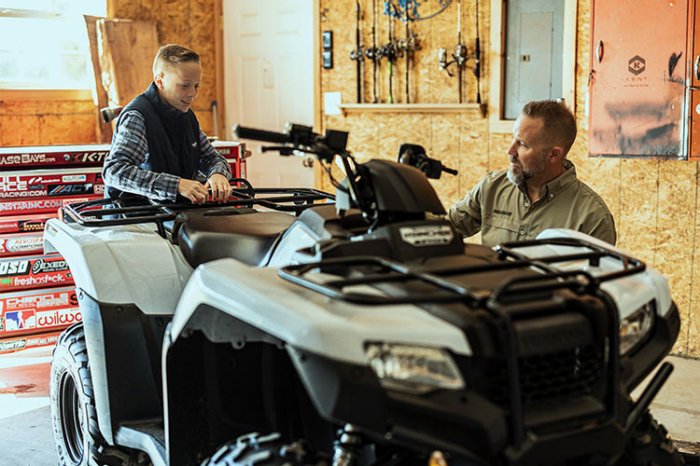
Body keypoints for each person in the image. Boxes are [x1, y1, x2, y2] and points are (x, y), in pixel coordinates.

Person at [448, 99, 616, 247]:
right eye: (513, 138)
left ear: (553, 155)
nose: (510, 150)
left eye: (522, 144)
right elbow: (443, 229)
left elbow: (597, 279)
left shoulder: (593, 218)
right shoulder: (491, 187)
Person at [102, 44, 232, 204]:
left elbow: (210, 158)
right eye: (184, 85)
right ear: (159, 81)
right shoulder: (138, 116)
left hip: (170, 216)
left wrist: (217, 174)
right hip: (132, 220)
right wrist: (175, 185)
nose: (193, 93)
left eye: (196, 85)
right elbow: (114, 172)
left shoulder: (187, 116)